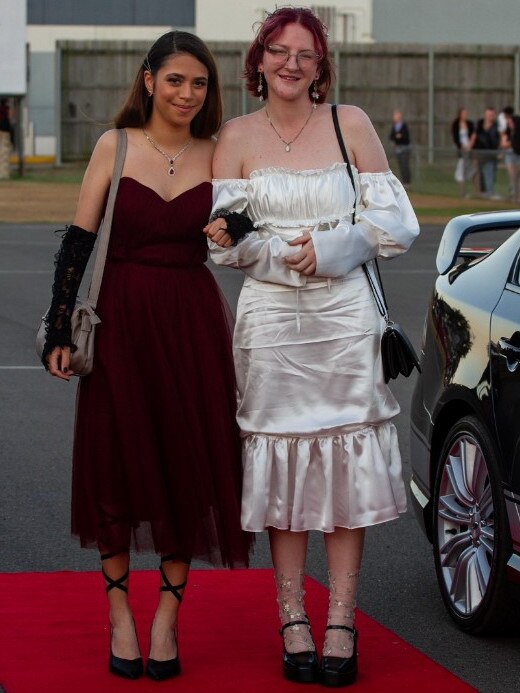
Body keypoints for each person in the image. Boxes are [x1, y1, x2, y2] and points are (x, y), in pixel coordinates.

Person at [204, 7, 419, 688]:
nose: (292, 63)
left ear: (321, 65)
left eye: (306, 53)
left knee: (343, 469)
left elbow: (396, 222)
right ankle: (292, 614)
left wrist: (328, 249)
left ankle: (342, 619)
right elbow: (225, 240)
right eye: (279, 51)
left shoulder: (348, 123)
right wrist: (278, 255)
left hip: (344, 318)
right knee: (284, 465)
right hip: (270, 324)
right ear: (258, 60)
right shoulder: (234, 135)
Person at [41, 31, 252, 681]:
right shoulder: (116, 144)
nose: (188, 94)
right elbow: (77, 242)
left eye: (199, 84)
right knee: (114, 466)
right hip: (122, 322)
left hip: (191, 325)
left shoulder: (219, 153)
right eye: (176, 80)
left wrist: (233, 225)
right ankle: (119, 612)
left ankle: (166, 614)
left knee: (183, 466)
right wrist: (56, 330)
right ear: (148, 79)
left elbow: (249, 223)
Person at [473, 106, 500, 198]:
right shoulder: (480, 124)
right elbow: (475, 137)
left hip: (490, 154)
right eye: (488, 115)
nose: (490, 116)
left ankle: (490, 192)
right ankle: (480, 193)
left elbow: (497, 140)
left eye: (492, 115)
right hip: (479, 153)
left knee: (489, 172)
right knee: (478, 173)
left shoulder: (496, 126)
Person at [451, 107, 476, 196]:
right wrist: (462, 147)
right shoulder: (456, 124)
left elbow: (473, 134)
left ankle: (475, 191)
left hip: (469, 149)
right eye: (463, 113)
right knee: (461, 170)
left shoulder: (469, 123)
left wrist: (470, 145)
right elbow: (456, 138)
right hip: (462, 150)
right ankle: (463, 191)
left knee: (472, 169)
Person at [389, 109, 412, 186]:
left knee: (405, 165)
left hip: (405, 148)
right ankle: (403, 181)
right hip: (398, 149)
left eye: (396, 116)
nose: (394, 118)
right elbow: (391, 136)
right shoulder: (394, 126)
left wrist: (400, 136)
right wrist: (397, 136)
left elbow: (405, 137)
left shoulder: (404, 126)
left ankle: (407, 182)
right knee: (401, 166)